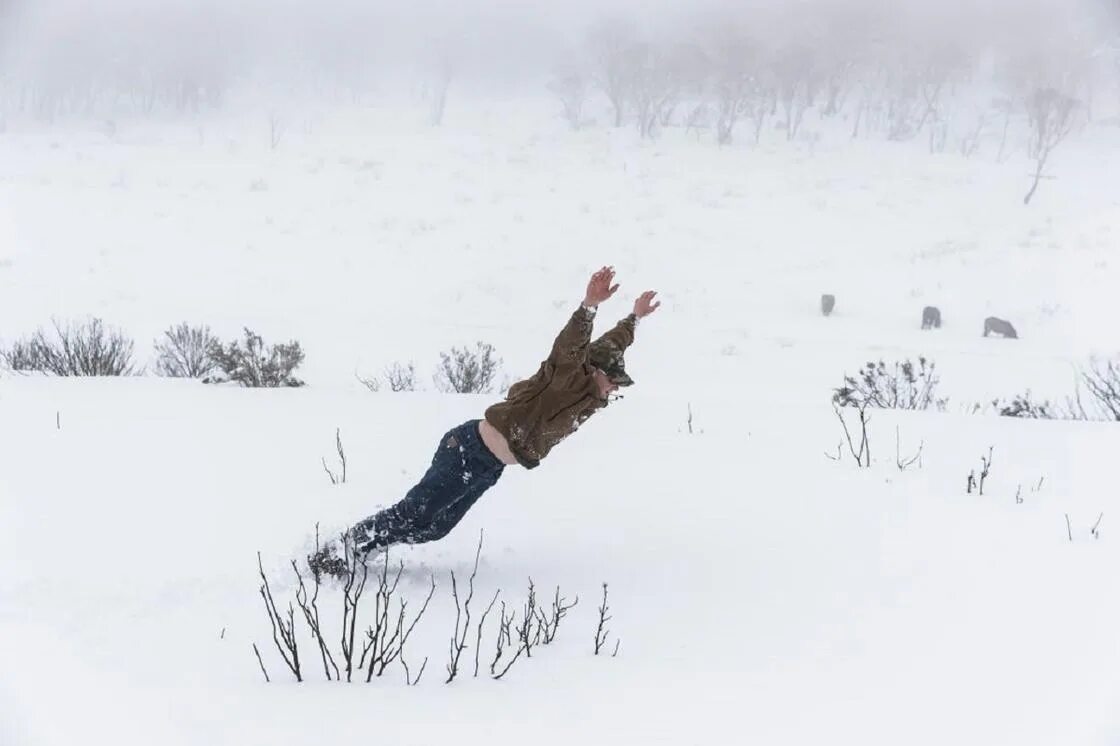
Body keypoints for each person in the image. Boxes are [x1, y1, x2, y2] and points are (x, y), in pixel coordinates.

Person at [312, 267, 659, 572]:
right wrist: (589, 305)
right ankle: (337, 552)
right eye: (614, 381)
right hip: (468, 448)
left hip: (491, 466)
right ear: (598, 371)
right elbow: (572, 343)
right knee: (415, 512)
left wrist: (635, 318)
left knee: (435, 528)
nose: (615, 388)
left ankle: (364, 549)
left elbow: (614, 343)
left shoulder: (591, 396)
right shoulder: (566, 374)